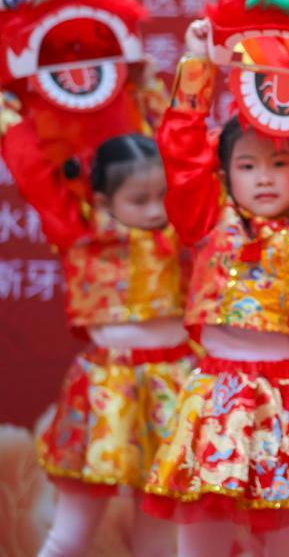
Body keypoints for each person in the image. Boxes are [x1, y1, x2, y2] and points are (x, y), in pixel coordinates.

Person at [143, 24, 289, 557]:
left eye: (278, 163)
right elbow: (181, 151)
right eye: (247, 165)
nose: (263, 177)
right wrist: (197, 62)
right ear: (224, 175)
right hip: (216, 401)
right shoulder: (206, 219)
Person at [0, 120, 191, 557]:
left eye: (161, 195)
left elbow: (189, 153)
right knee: (71, 533)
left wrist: (149, 86)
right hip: (108, 388)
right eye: (138, 200)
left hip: (173, 386)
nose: (153, 209)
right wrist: (11, 120)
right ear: (103, 200)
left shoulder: (181, 235)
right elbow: (34, 177)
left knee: (158, 536)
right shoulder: (82, 237)